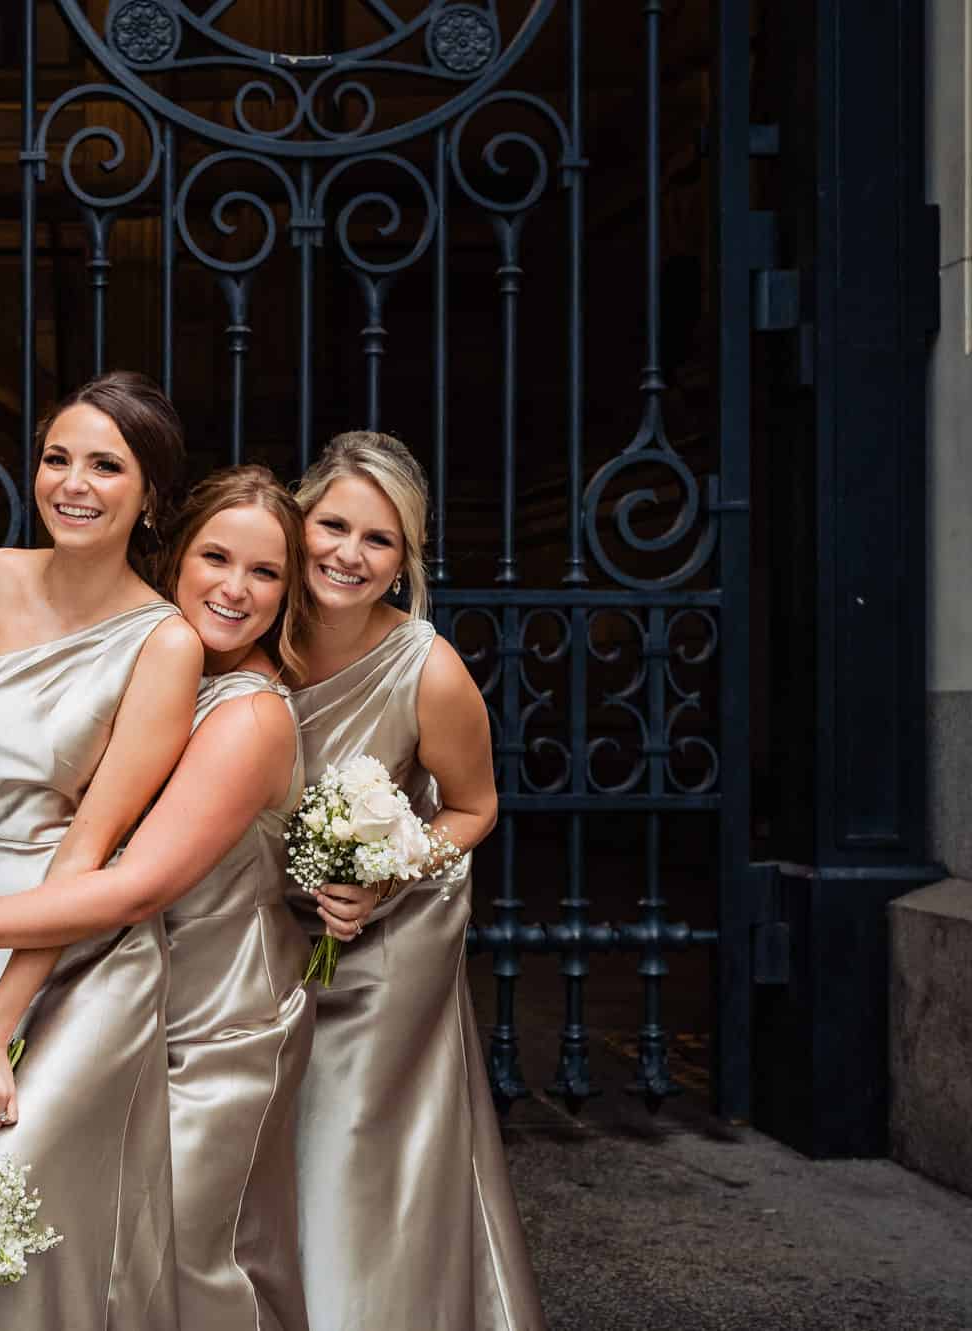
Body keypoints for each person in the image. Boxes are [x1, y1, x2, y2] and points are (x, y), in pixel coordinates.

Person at [0, 466, 370, 1330]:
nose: (234, 587)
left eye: (265, 574)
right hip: (125, 979)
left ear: (290, 593)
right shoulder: (157, 665)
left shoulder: (249, 714)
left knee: (194, 1263)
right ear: (176, 555)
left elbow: (134, 880)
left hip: (217, 1020)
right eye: (217, 557)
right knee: (103, 1247)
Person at [0, 370, 203, 1331]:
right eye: (58, 458)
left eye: (106, 465)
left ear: (149, 493)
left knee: (18, 1206)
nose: (74, 483)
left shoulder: (166, 642)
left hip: (64, 940)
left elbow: (91, 848)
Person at [287, 431, 546, 1331]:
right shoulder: (254, 628)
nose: (348, 554)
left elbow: (473, 809)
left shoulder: (427, 668)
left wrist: (385, 875)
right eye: (333, 525)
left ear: (405, 560)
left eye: (379, 539)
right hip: (262, 927)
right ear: (299, 517)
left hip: (383, 940)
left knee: (349, 1147)